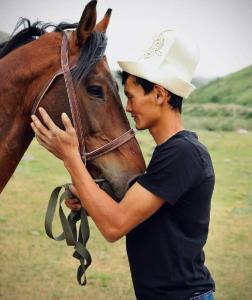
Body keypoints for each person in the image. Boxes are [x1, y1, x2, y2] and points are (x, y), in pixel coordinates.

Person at [31, 29, 215, 300]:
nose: (128, 108)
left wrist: (71, 157)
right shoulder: (174, 151)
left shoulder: (183, 153)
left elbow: (115, 225)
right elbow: (143, 216)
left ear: (160, 94)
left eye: (131, 96)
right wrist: (89, 197)